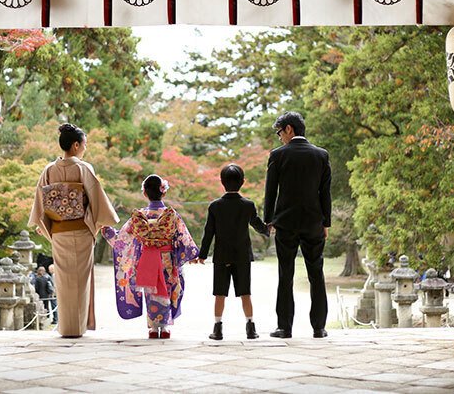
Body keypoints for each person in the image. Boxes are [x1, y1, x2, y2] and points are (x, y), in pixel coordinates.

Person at [28, 123, 119, 338]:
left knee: (63, 281)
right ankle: (77, 327)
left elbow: (40, 206)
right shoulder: (83, 168)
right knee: (81, 281)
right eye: (84, 145)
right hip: (81, 230)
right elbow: (97, 200)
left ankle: (66, 327)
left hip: (59, 233)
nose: (85, 149)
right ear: (76, 145)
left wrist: (47, 226)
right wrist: (100, 223)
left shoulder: (49, 170)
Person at [101, 175, 199, 339]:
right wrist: (192, 255)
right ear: (164, 193)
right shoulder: (171, 215)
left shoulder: (139, 216)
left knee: (150, 291)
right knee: (166, 289)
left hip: (146, 258)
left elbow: (122, 240)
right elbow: (183, 238)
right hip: (167, 258)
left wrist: (105, 229)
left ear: (145, 193)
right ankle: (166, 328)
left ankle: (153, 328)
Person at [264, 112, 332, 339]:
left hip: (286, 222)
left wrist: (268, 220)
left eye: (279, 132)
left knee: (286, 274)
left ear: (289, 129)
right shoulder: (321, 155)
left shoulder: (278, 155)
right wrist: (326, 222)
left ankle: (284, 327)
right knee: (316, 274)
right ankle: (319, 327)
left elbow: (271, 191)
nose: (279, 137)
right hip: (314, 222)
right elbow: (325, 193)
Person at [197, 164, 269, 341]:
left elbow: (209, 232)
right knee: (245, 292)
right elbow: (258, 224)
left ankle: (218, 328)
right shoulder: (248, 205)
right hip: (242, 255)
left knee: (220, 293)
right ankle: (251, 328)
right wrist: (269, 229)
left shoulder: (215, 206)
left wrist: (202, 254)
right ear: (243, 182)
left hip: (222, 256)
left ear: (222, 182)